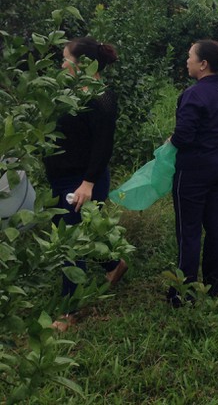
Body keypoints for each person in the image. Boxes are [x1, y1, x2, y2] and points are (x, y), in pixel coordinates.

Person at [45, 37, 127, 331]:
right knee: (85, 232)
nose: (61, 64)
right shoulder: (66, 93)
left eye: (65, 59)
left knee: (71, 244)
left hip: (82, 180)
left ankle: (69, 311)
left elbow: (103, 147)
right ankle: (113, 264)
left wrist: (88, 183)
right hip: (62, 176)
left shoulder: (101, 97)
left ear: (84, 64)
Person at [168, 39, 218, 304]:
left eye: (190, 57)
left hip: (194, 168)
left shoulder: (194, 94)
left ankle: (183, 293)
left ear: (203, 64)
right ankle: (217, 284)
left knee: (189, 229)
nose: (187, 61)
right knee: (216, 223)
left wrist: (169, 142)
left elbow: (184, 136)